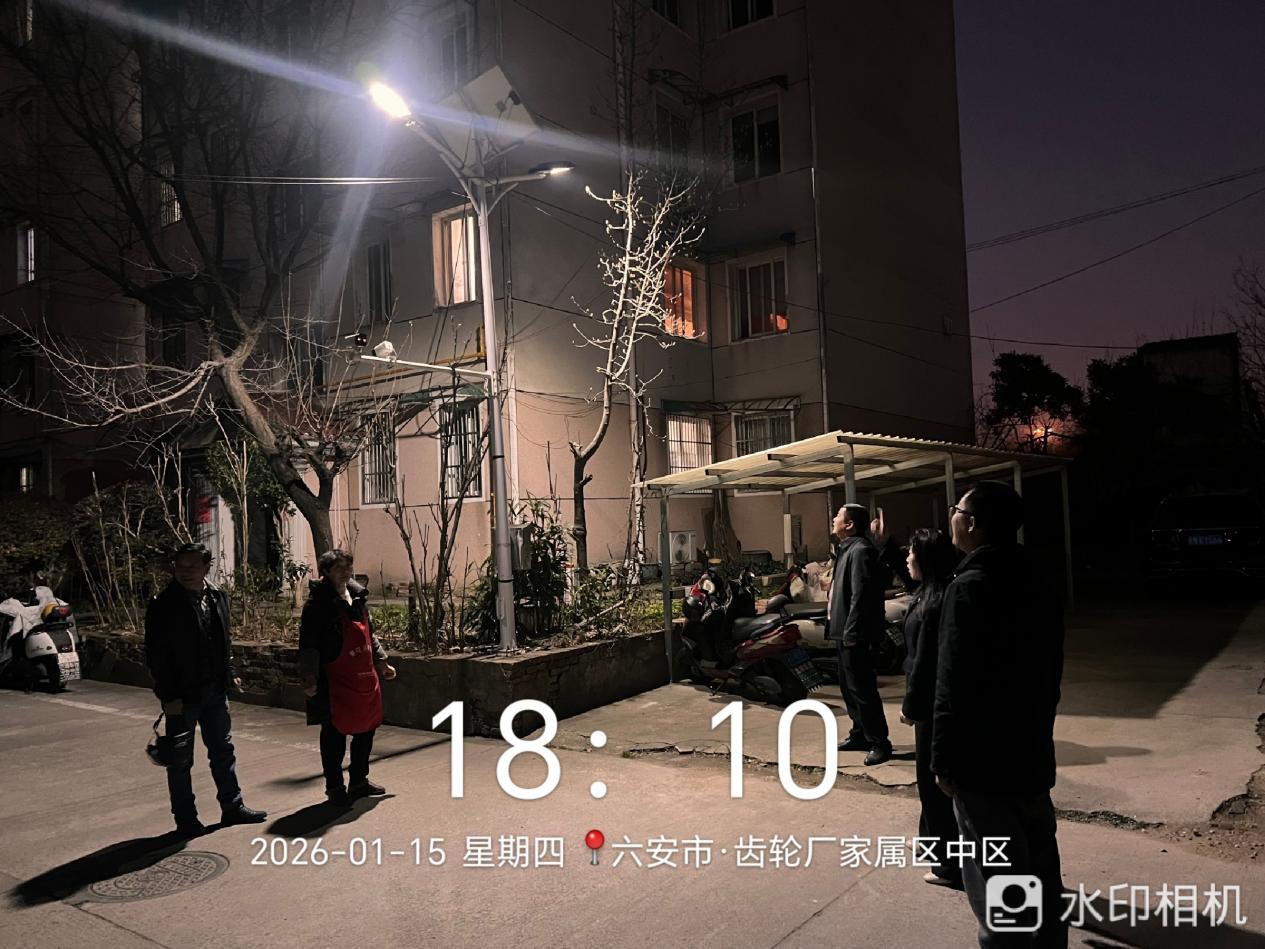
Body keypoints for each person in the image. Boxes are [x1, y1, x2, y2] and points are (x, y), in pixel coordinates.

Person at [932, 481, 1066, 948]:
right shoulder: (1039, 580)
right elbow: (1051, 670)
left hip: (980, 760)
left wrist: (943, 759)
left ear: (970, 523)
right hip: (1030, 749)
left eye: (956, 509)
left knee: (998, 874)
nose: (952, 517)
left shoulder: (969, 587)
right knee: (1040, 867)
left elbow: (952, 682)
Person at [144, 542, 267, 836]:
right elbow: (156, 655)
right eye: (180, 566)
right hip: (182, 694)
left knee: (223, 750)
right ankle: (186, 819)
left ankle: (232, 807)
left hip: (214, 689)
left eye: (193, 566)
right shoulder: (164, 603)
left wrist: (230, 673)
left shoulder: (216, 596)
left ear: (206, 567)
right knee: (180, 759)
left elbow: (224, 640)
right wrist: (168, 696)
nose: (185, 572)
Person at [299, 549, 396, 805]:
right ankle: (335, 787)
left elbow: (369, 633)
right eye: (340, 568)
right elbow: (308, 645)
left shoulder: (358, 597)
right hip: (333, 679)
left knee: (367, 728)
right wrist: (309, 676)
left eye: (348, 567)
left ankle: (359, 781)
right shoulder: (317, 606)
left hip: (363, 677)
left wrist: (382, 661)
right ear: (326, 571)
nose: (346, 572)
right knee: (334, 733)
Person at [899, 527, 962, 889]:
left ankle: (948, 865)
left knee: (934, 783)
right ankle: (932, 843)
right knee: (928, 781)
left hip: (931, 706)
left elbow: (924, 662)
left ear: (925, 558)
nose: (907, 558)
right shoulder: (928, 593)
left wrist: (911, 706)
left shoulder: (935, 603)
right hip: (928, 702)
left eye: (911, 552)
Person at [827, 503, 891, 766]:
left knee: (862, 689)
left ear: (850, 524)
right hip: (844, 632)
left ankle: (879, 741)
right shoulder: (847, 548)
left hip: (856, 634)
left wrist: (852, 632)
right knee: (849, 688)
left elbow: (861, 596)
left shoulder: (861, 550)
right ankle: (860, 733)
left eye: (838, 516)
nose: (834, 519)